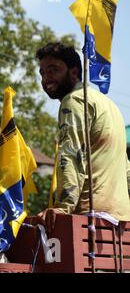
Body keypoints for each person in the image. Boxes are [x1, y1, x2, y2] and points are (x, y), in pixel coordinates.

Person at [35, 42, 130, 231]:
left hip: (90, 215)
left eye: (53, 70)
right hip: (119, 217)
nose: (46, 78)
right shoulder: (107, 104)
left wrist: (63, 207)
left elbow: (71, 154)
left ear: (73, 72)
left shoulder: (74, 101)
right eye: (43, 73)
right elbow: (126, 167)